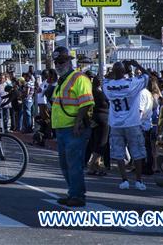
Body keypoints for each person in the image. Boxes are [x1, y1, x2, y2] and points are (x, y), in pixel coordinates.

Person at [51, 46, 94, 207]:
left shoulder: (79, 78)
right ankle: (73, 193)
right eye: (56, 62)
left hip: (74, 129)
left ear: (69, 61)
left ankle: (77, 196)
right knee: (65, 164)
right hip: (62, 128)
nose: (58, 65)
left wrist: (77, 123)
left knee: (74, 164)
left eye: (61, 61)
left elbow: (86, 103)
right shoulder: (62, 80)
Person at [105, 60, 152, 191]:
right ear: (125, 72)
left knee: (119, 153)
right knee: (137, 152)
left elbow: (104, 79)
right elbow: (147, 76)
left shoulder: (108, 85)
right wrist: (136, 64)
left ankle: (124, 180)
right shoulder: (132, 83)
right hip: (132, 123)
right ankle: (139, 180)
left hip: (116, 124)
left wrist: (112, 73)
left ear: (114, 72)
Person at [86, 74, 110, 176]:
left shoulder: (91, 92)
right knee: (102, 143)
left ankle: (96, 166)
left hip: (95, 118)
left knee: (96, 141)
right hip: (103, 119)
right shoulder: (101, 93)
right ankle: (92, 164)